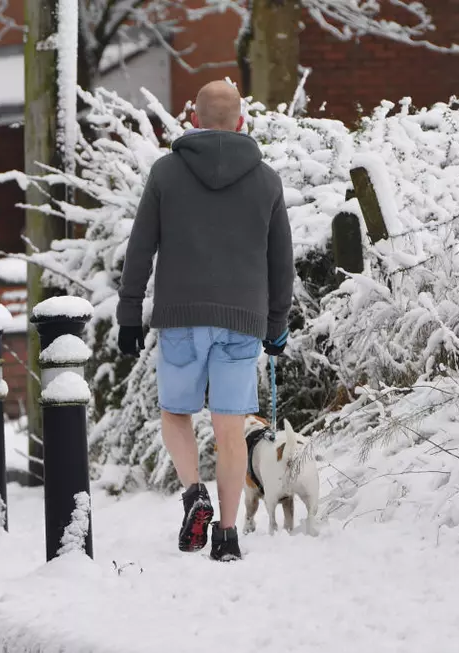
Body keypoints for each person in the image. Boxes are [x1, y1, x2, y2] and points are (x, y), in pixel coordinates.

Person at [116, 80, 294, 562]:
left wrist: (130, 312)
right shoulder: (266, 181)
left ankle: (195, 492)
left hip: (181, 317)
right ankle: (229, 536)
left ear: (192, 119)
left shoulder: (167, 173)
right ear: (241, 121)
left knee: (176, 413)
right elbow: (282, 264)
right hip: (242, 321)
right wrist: (277, 325)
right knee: (230, 429)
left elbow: (140, 248)